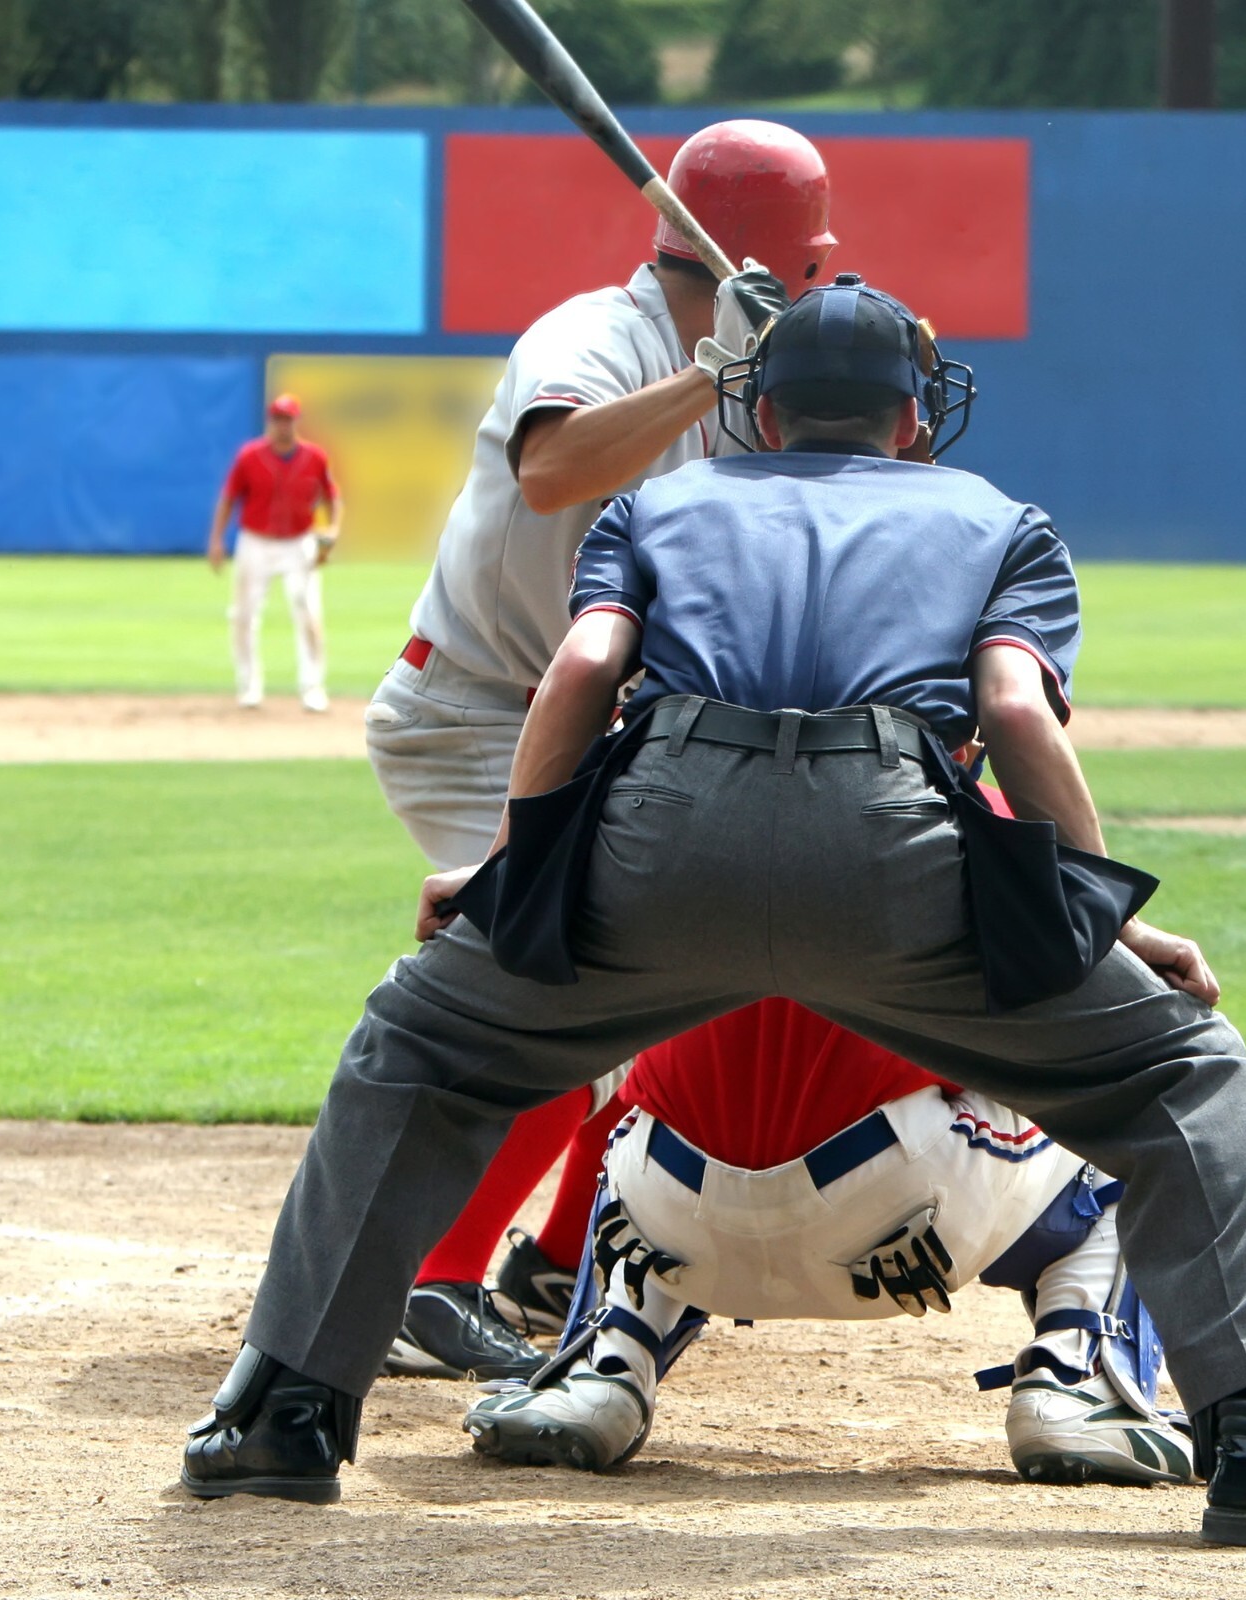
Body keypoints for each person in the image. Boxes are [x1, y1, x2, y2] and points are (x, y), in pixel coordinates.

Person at [180, 278, 1246, 1547]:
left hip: (659, 840)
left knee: (418, 1046)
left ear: (759, 410)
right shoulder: (999, 519)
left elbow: (581, 672)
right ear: (912, 419)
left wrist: (504, 869)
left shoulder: (657, 502)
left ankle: (281, 1415)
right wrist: (1110, 918)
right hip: (895, 851)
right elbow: (1014, 717)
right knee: (1184, 1077)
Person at [366, 120, 831, 1381]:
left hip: (597, 725)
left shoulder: (754, 378)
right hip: (477, 712)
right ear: (783, 255)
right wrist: (713, 371)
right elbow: (554, 466)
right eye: (818, 250)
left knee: (684, 977)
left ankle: (563, 1255)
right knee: (560, 983)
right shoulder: (591, 337)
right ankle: (424, 1282)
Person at [466, 992, 1195, 1488]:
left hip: (675, 1231)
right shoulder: (960, 826)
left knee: (639, 1118)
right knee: (1131, 1097)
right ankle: (1077, 1381)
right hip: (903, 1222)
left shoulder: (653, 824)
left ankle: (606, 1364)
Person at [208, 393, 341, 712]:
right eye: (278, 419)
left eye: (288, 419)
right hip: (256, 541)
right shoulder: (250, 456)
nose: (283, 425)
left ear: (297, 421)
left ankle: (312, 688)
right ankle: (249, 687)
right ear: (271, 422)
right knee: (243, 615)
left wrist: (333, 530)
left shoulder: (314, 457)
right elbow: (229, 498)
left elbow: (332, 497)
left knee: (308, 613)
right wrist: (216, 539)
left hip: (299, 541)